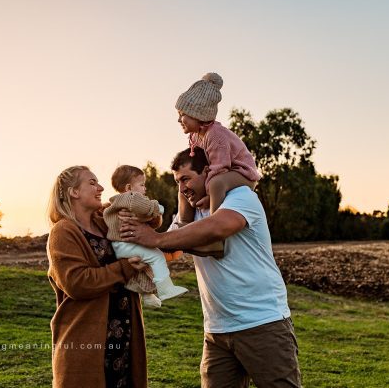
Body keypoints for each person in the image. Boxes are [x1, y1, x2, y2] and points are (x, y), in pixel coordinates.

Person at [120, 148, 301, 388]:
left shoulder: (240, 197)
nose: (182, 188)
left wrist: (156, 239)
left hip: (262, 323)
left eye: (186, 179)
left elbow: (217, 230)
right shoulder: (190, 214)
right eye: (177, 182)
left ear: (208, 172)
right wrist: (131, 249)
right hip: (217, 331)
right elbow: (170, 248)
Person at [46, 165, 148, 388]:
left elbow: (149, 222)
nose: (101, 187)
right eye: (92, 183)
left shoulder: (104, 224)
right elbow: (76, 283)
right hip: (87, 342)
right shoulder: (64, 231)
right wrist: (124, 268)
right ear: (74, 192)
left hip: (123, 335)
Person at [175, 72, 261, 225]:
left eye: (182, 115)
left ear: (198, 115)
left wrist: (209, 196)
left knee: (216, 183)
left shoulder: (215, 135)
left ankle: (211, 227)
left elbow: (220, 168)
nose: (178, 120)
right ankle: (184, 225)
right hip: (221, 173)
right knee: (184, 189)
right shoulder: (195, 136)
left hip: (241, 173)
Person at [104, 165, 187, 307]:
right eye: (142, 185)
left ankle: (147, 294)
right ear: (129, 188)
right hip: (126, 245)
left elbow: (148, 219)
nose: (145, 189)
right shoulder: (131, 198)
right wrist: (157, 207)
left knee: (144, 267)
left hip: (122, 246)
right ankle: (166, 289)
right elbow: (146, 207)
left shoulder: (120, 203)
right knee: (156, 256)